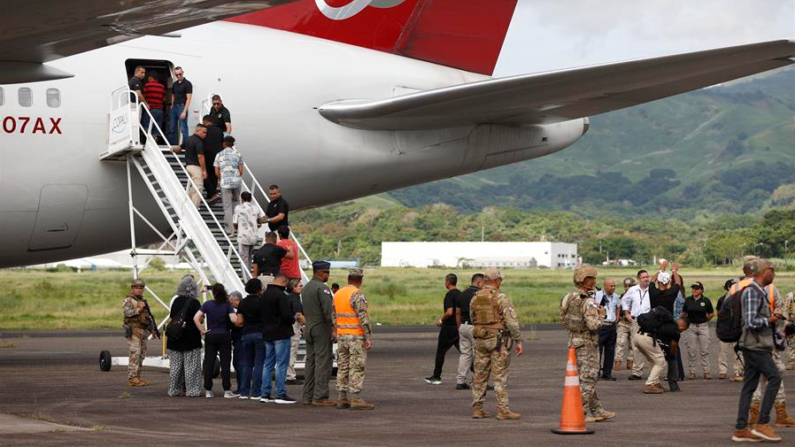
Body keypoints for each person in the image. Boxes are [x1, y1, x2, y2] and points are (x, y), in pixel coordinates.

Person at [732, 259, 784, 442]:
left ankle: (741, 428)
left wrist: (774, 322)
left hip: (752, 345)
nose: (774, 273)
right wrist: (770, 320)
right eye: (772, 270)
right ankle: (762, 423)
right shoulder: (754, 292)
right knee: (775, 378)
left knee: (749, 387)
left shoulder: (758, 291)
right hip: (756, 346)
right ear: (763, 272)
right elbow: (751, 322)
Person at [561, 265, 615, 422]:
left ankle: (597, 409)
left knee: (586, 377)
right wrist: (601, 316)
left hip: (574, 340)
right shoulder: (588, 301)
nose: (594, 281)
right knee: (589, 378)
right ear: (585, 281)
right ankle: (582, 413)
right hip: (587, 343)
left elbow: (563, 319)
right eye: (592, 278)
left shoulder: (569, 298)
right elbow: (593, 325)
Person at [471, 267, 523, 420]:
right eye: (500, 279)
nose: (501, 282)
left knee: (479, 376)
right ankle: (503, 410)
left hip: (481, 340)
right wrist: (518, 340)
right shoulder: (501, 298)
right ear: (495, 280)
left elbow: (474, 318)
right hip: (498, 341)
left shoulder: (475, 297)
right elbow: (511, 322)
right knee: (499, 377)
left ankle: (478, 409)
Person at [748, 275, 795, 429]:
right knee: (774, 375)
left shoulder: (741, 287)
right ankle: (778, 414)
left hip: (751, 341)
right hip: (763, 340)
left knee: (756, 377)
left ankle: (757, 415)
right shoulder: (771, 288)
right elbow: (780, 312)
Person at [333, 268, 374, 410]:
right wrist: (368, 336)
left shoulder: (338, 294)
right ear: (360, 280)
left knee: (342, 366)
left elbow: (333, 316)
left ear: (348, 278)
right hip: (356, 336)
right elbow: (363, 316)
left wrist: (337, 331)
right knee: (357, 366)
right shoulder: (356, 294)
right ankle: (356, 398)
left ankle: (342, 397)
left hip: (342, 336)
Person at [301, 261, 337, 406]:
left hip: (309, 326)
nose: (328, 275)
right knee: (323, 362)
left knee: (311, 362)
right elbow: (329, 312)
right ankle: (320, 397)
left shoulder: (307, 287)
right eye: (326, 272)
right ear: (320, 273)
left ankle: (308, 395)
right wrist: (335, 328)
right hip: (321, 327)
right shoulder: (323, 288)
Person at [193, 283, 238, 398]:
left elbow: (196, 318)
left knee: (209, 362)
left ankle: (208, 390)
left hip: (211, 335)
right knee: (225, 363)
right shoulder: (227, 305)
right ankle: (227, 390)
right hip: (224, 335)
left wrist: (202, 330)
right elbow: (233, 319)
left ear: (213, 293)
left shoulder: (208, 304)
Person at [260, 273, 297, 404]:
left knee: (267, 364)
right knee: (282, 364)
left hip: (267, 333)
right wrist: (294, 318)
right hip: (281, 333)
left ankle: (265, 393)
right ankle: (280, 393)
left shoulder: (264, 295)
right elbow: (286, 315)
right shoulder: (281, 295)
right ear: (283, 282)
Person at [166, 275, 203, 397]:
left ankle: (173, 389)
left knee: (175, 366)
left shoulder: (176, 301)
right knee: (191, 366)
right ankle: (192, 390)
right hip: (190, 337)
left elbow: (173, 317)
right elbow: (199, 319)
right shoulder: (195, 302)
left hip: (175, 337)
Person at [649, 268, 684, 391]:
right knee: (672, 357)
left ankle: (655, 381)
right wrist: (674, 270)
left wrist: (660, 269)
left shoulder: (652, 293)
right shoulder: (671, 294)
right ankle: (673, 383)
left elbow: (651, 281)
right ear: (668, 281)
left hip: (655, 329)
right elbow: (678, 283)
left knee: (656, 357)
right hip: (669, 328)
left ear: (658, 282)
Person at [425, 273, 460, 385]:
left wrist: (441, 320)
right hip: (459, 327)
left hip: (448, 328)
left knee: (441, 352)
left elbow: (449, 312)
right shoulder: (460, 294)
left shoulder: (449, 295)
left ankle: (436, 376)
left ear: (448, 282)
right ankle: (477, 375)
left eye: (445, 281)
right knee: (465, 353)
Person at [122, 278, 155, 386]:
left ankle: (138, 377)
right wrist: (138, 310)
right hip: (134, 330)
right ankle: (132, 378)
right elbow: (127, 313)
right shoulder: (129, 300)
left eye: (141, 288)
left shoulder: (143, 301)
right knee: (135, 354)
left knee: (141, 355)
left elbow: (147, 317)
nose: (139, 290)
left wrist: (152, 329)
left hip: (143, 330)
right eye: (136, 287)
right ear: (132, 288)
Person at [237, 279, 265, 400]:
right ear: (259, 288)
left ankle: (244, 392)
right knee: (259, 364)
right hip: (260, 333)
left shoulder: (242, 302)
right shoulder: (262, 301)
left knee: (247, 364)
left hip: (246, 333)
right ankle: (256, 392)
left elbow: (239, 321)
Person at [455, 273, 484, 390]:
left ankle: (460, 381)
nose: (484, 286)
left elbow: (457, 312)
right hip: (474, 327)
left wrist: (459, 326)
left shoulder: (461, 294)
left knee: (465, 354)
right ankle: (477, 381)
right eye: (483, 283)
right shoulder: (479, 295)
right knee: (478, 355)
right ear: (478, 283)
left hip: (463, 326)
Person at [622, 270, 652, 381]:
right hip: (636, 321)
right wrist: (626, 313)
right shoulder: (632, 290)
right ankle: (637, 372)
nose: (646, 279)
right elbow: (624, 300)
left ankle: (653, 372)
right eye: (644, 277)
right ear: (639, 278)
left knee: (650, 345)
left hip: (649, 321)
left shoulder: (652, 289)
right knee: (636, 346)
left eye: (647, 276)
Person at [681, 282, 714, 380]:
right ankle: (692, 371)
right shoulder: (688, 300)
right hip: (691, 327)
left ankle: (706, 371)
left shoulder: (706, 300)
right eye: (693, 288)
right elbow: (684, 313)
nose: (694, 290)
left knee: (704, 350)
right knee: (691, 350)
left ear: (701, 290)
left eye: (696, 288)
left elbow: (711, 313)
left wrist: (705, 320)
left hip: (703, 326)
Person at [214, 136, 244, 234]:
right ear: (233, 144)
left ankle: (230, 229)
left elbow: (216, 171)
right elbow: (241, 171)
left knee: (227, 206)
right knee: (236, 203)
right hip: (236, 181)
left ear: (224, 144)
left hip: (225, 182)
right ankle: (236, 226)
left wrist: (221, 178)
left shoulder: (219, 155)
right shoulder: (238, 154)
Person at [172, 124, 207, 208]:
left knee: (194, 186)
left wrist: (172, 149)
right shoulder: (198, 142)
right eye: (204, 132)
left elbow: (179, 148)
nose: (205, 134)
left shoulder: (189, 139)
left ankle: (186, 197)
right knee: (198, 187)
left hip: (188, 166)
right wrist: (204, 170)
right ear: (197, 131)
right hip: (196, 167)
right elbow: (200, 156)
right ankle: (194, 209)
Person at [596, 278, 620, 381]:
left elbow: (618, 307)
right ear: (605, 286)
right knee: (598, 350)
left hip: (611, 325)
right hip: (602, 325)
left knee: (610, 350)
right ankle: (596, 371)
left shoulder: (616, 296)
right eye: (611, 286)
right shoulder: (598, 295)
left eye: (614, 286)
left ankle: (607, 373)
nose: (613, 288)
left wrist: (617, 317)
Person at [233, 191, 264, 273]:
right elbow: (260, 222)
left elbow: (235, 223)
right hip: (253, 236)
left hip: (243, 236)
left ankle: (246, 277)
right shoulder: (256, 208)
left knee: (244, 258)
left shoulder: (238, 208)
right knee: (250, 257)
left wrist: (238, 228)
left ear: (241, 199)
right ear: (250, 199)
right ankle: (250, 275)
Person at [717, 279, 741, 380]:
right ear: (728, 287)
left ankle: (738, 371)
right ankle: (722, 371)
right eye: (733, 286)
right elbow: (718, 313)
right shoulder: (722, 299)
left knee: (738, 351)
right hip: (726, 328)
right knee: (723, 350)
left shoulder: (740, 298)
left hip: (736, 327)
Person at [286, 279, 306, 385]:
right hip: (294, 327)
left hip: (288, 326)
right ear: (293, 287)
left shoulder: (288, 297)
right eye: (299, 285)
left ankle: (288, 374)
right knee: (292, 351)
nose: (301, 286)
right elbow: (298, 314)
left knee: (289, 351)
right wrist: (305, 324)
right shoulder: (295, 299)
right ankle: (290, 376)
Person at [614, 277, 636, 372]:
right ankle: (618, 361)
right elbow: (617, 307)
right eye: (625, 286)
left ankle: (630, 362)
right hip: (623, 323)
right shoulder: (621, 297)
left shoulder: (637, 297)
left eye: (630, 286)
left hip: (633, 323)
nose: (627, 288)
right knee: (620, 342)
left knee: (633, 344)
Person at [201, 115, 223, 202]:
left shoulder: (205, 130)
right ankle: (211, 195)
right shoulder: (219, 130)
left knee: (204, 174)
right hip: (218, 156)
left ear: (205, 122)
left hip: (207, 155)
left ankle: (212, 193)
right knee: (214, 176)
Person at [169, 66, 192, 145]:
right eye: (176, 75)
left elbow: (188, 98)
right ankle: (172, 145)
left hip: (182, 107)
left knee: (183, 128)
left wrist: (184, 111)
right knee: (172, 127)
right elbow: (173, 95)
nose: (178, 76)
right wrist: (172, 104)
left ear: (183, 72)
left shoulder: (188, 84)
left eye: (180, 74)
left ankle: (185, 146)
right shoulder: (174, 84)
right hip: (174, 107)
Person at [142, 71, 165, 142]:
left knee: (146, 125)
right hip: (160, 111)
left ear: (151, 78)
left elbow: (143, 97)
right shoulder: (162, 86)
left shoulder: (147, 85)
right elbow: (164, 99)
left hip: (151, 109)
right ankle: (154, 141)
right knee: (156, 128)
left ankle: (147, 140)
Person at [229, 291, 243, 395]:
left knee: (238, 364)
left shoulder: (240, 312)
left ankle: (241, 387)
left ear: (237, 300)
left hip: (240, 340)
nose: (230, 304)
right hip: (243, 339)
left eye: (231, 302)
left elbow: (238, 324)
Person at [785, 281, 795, 371]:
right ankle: (791, 361)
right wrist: (787, 323)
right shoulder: (790, 296)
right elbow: (786, 310)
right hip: (792, 322)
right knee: (792, 343)